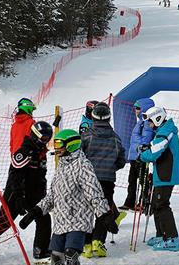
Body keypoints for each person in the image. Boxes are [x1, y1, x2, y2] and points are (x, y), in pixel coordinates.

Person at [19, 129, 118, 265]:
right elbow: (52, 195)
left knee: (70, 256)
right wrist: (36, 211)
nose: (56, 148)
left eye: (59, 144)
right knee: (57, 259)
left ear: (71, 144)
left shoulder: (83, 165)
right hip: (61, 223)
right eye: (55, 144)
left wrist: (105, 215)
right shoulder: (61, 166)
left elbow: (94, 193)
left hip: (78, 221)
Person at [0, 116, 52, 263]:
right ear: (35, 136)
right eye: (43, 138)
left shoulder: (41, 153)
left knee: (44, 218)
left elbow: (40, 178)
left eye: (48, 139)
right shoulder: (24, 151)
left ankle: (41, 250)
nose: (45, 142)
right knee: (4, 223)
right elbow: (15, 176)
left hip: (33, 195)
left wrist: (42, 195)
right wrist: (19, 197)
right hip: (15, 195)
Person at [80, 102, 126, 258]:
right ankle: (98, 241)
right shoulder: (115, 138)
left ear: (93, 116)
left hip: (88, 179)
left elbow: (79, 155)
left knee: (86, 209)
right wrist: (110, 167)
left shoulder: (87, 135)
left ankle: (86, 244)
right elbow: (121, 160)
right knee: (103, 210)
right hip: (107, 179)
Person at [139, 107, 179, 252]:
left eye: (150, 121)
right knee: (156, 204)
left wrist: (143, 154)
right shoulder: (162, 131)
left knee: (162, 205)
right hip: (162, 174)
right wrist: (146, 147)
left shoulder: (165, 132)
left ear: (157, 118)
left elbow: (154, 153)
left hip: (166, 175)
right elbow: (155, 148)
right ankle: (161, 235)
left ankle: (172, 238)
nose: (149, 125)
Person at [120, 98, 156, 210]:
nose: (135, 110)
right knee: (132, 180)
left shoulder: (147, 123)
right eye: (135, 108)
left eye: (138, 108)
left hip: (141, 156)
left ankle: (144, 201)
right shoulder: (140, 122)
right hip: (134, 156)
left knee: (142, 180)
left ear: (144, 109)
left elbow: (147, 139)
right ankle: (130, 202)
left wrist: (143, 152)